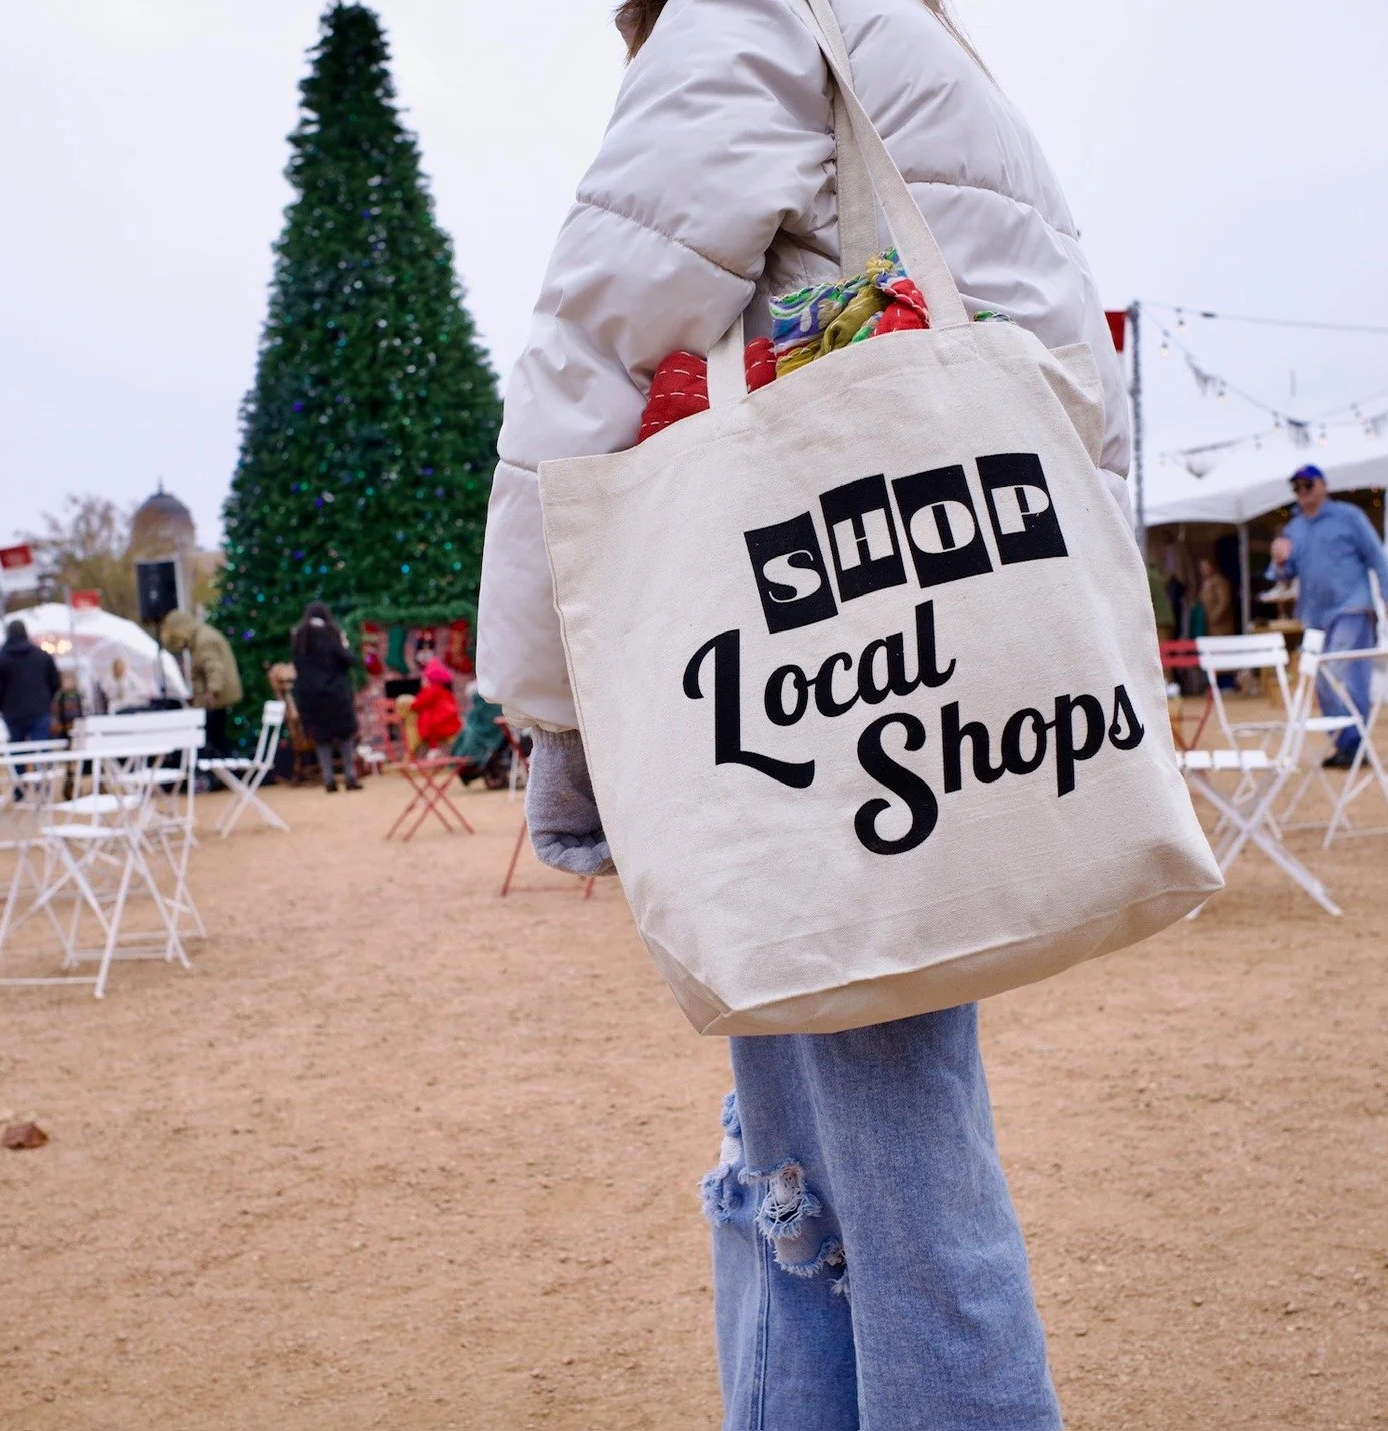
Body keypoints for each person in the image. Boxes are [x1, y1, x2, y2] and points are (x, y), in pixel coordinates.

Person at [475, 2, 1125, 1422]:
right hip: (930, 655)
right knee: (837, 1162)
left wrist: (549, 710)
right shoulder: (918, 36)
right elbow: (1067, 380)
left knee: (898, 1195)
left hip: (816, 677)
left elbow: (591, 347)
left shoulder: (745, 16)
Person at [1266, 465, 1388, 768]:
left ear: (1323, 485)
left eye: (1308, 485)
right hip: (1315, 615)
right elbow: (1284, 576)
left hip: (1352, 608)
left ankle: (1354, 743)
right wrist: (1279, 561)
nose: (1303, 493)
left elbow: (1377, 557)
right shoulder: (1295, 528)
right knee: (1322, 681)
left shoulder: (1349, 516)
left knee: (1342, 672)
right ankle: (1344, 744)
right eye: (1297, 488)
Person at [291, 602, 362, 792]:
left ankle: (328, 778)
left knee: (321, 738)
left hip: (310, 695)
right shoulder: (332, 633)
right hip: (335, 693)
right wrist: (346, 645)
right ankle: (350, 775)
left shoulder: (299, 636)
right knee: (345, 735)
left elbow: (298, 666)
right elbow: (348, 660)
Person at [159, 610, 242, 757]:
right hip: (213, 700)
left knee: (213, 739)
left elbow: (214, 668)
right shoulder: (201, 637)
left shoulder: (204, 641)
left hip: (215, 701)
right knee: (217, 739)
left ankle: (219, 771)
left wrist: (212, 691)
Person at [0, 620, 60, 744]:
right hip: (39, 710)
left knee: (17, 749)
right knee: (41, 749)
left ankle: (20, 764)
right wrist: (46, 700)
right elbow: (55, 682)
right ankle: (41, 764)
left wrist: (3, 706)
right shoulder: (42, 655)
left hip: (12, 712)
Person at [411, 660, 463, 752]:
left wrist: (412, 705)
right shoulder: (445, 691)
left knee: (427, 718)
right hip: (449, 722)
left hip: (437, 724)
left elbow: (419, 703)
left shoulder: (430, 690)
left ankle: (433, 749)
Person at [1197, 555, 1236, 639]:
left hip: (1220, 625)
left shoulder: (1220, 581)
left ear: (1212, 567)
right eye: (1201, 567)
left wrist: (1214, 617)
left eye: (1206, 567)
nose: (1203, 570)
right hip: (1209, 625)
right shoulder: (1205, 583)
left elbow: (1224, 601)